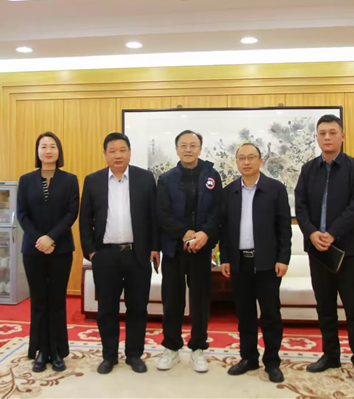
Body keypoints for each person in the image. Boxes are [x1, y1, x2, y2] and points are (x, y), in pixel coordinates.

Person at [294, 114, 354, 388]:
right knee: (325, 306)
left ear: (342, 136)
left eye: (332, 132)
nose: (327, 137)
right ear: (317, 137)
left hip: (348, 250)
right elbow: (300, 206)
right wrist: (312, 233)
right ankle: (331, 355)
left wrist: (332, 233)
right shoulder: (308, 169)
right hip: (318, 250)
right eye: (322, 133)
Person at [79, 132, 159, 375]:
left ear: (130, 153)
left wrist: (154, 247)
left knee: (138, 308)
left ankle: (134, 355)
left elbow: (154, 216)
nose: (118, 155)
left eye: (122, 150)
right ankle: (109, 356)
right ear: (105, 154)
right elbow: (85, 220)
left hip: (137, 255)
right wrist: (91, 252)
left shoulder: (145, 179)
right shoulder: (93, 180)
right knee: (107, 309)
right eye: (112, 151)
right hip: (105, 255)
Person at [219, 142, 292, 383]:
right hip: (240, 262)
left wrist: (283, 258)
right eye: (242, 158)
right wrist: (225, 258)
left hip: (267, 263)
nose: (247, 162)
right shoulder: (229, 192)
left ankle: (272, 362)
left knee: (270, 314)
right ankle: (248, 358)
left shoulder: (275, 189)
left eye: (251, 157)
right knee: (245, 314)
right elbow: (224, 230)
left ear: (261, 161)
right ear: (237, 162)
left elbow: (284, 228)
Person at [156, 130, 222, 373]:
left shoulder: (212, 175)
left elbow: (218, 210)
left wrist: (204, 234)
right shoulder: (166, 179)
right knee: (172, 301)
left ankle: (198, 348)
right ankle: (171, 348)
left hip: (201, 249)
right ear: (177, 149)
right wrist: (185, 233)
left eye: (193, 145)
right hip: (174, 249)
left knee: (200, 301)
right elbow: (162, 213)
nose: (188, 149)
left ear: (200, 148)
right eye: (183, 145)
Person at [17, 132, 80, 373]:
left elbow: (71, 213)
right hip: (33, 250)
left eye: (52, 146)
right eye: (43, 146)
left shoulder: (70, 180)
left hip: (60, 249)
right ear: (37, 151)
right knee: (39, 301)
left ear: (59, 151)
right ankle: (41, 351)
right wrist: (39, 239)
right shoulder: (25, 180)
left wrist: (51, 237)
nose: (48, 150)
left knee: (56, 300)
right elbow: (22, 214)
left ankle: (57, 351)